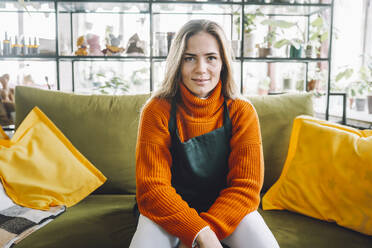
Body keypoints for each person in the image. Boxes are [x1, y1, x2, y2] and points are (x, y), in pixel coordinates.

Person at [130, 19, 279, 248]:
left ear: (223, 63)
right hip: (166, 212)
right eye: (190, 58)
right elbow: (152, 188)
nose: (201, 69)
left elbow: (246, 187)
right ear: (177, 63)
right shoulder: (156, 110)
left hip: (227, 210)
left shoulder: (242, 111)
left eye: (211, 58)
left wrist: (205, 230)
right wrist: (199, 232)